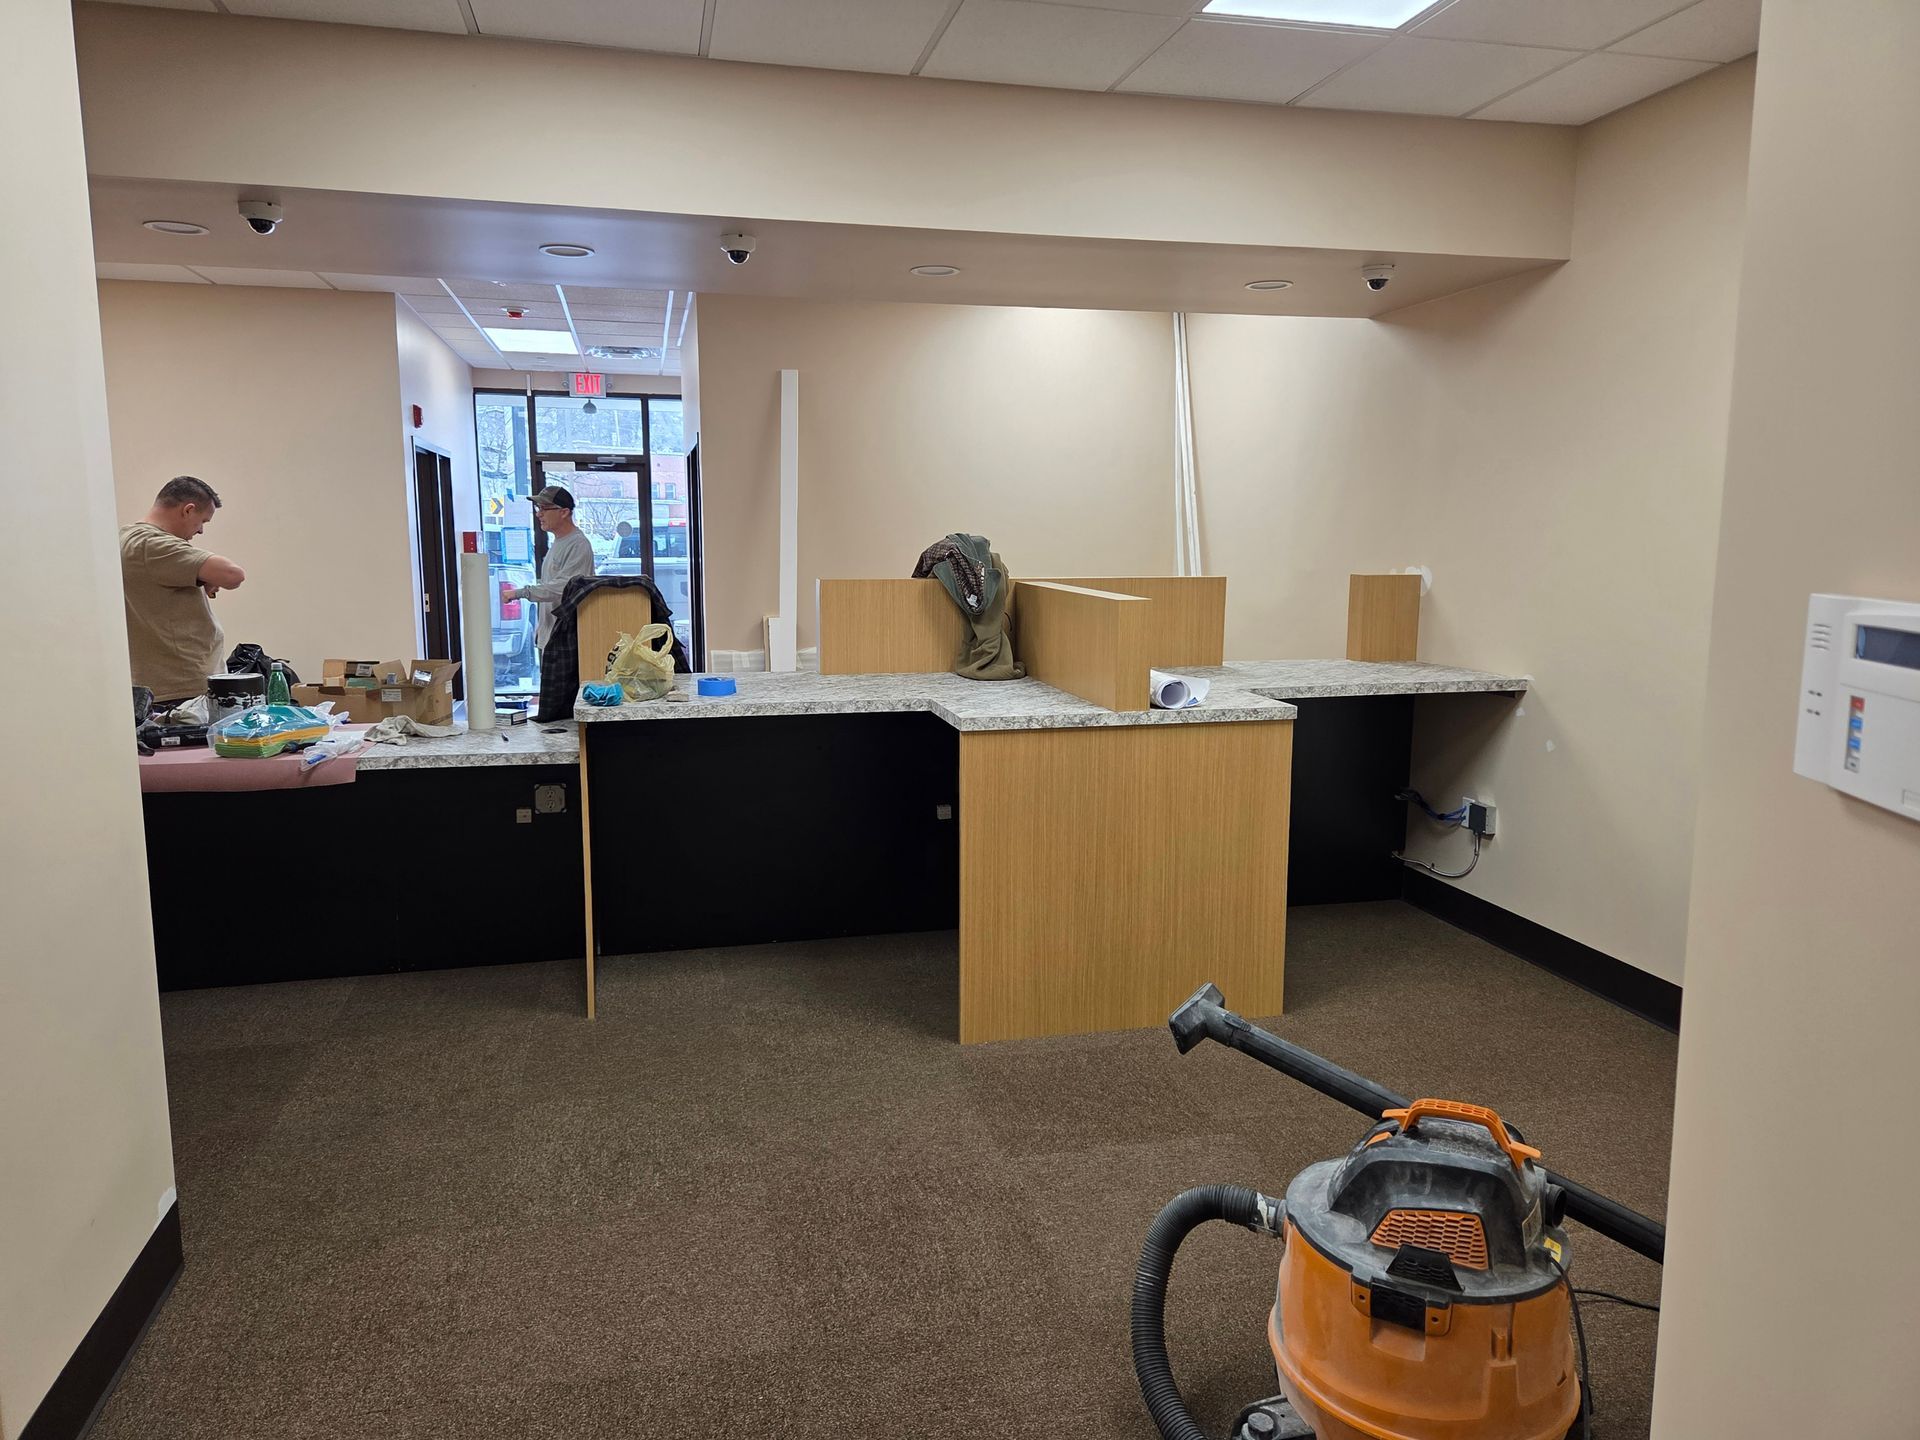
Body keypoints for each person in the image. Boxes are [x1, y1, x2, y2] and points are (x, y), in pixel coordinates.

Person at [120, 475, 247, 707]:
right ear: (188, 510)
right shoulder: (154, 544)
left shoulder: (125, 538)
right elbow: (232, 575)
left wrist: (201, 577)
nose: (200, 531)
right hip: (182, 687)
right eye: (203, 522)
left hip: (161, 683)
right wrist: (208, 574)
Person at [502, 485, 595, 653]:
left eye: (544, 508)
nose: (538, 514)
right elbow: (550, 584)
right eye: (538, 508)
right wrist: (542, 628)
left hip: (566, 640)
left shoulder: (578, 544)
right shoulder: (559, 542)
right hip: (551, 636)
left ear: (564, 512)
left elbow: (563, 588)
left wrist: (520, 593)